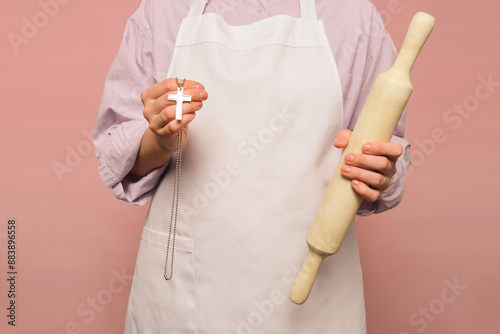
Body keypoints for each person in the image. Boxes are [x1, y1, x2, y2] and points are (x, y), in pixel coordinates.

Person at [93, 0, 411, 332]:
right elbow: (118, 158)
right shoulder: (162, 11)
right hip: (187, 295)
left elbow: (388, 155)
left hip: (317, 290)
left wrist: (378, 169)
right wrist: (160, 139)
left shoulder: (352, 14)